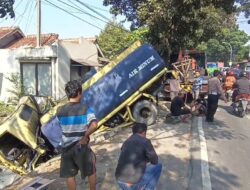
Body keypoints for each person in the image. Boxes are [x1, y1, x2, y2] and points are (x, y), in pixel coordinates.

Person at [57, 80, 98, 190]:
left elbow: (60, 128)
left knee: (70, 175)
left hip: (66, 148)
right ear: (79, 92)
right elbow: (94, 124)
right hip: (80, 147)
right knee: (91, 170)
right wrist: (85, 136)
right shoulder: (85, 109)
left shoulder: (59, 111)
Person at [115, 123, 162, 190]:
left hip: (119, 180)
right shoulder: (145, 141)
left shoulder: (126, 141)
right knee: (158, 166)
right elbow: (154, 161)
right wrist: (145, 160)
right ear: (144, 132)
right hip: (132, 183)